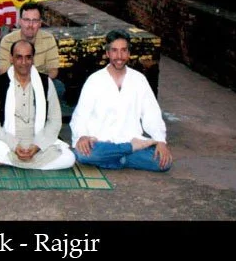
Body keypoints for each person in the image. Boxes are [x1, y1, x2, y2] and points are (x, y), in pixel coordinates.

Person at [70, 30, 173, 172]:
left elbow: (152, 113)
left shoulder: (139, 80)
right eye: (114, 51)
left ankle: (116, 158)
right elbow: (80, 115)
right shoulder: (95, 80)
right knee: (83, 155)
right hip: (101, 142)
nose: (119, 56)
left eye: (123, 51)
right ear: (107, 53)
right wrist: (82, 136)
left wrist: (160, 140)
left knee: (164, 163)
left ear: (129, 53)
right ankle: (127, 152)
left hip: (128, 139)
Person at [0, 39, 75, 170]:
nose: (24, 62)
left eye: (28, 57)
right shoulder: (0, 83)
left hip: (38, 142)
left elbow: (54, 120)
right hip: (8, 142)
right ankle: (24, 162)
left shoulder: (45, 83)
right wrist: (14, 145)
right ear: (11, 58)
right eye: (19, 57)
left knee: (69, 158)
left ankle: (8, 161)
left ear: (33, 59)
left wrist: (37, 146)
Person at [0, 1, 65, 101]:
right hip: (15, 82)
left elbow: (53, 70)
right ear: (20, 21)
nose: (30, 25)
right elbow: (3, 71)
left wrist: (36, 83)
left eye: (35, 21)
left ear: (40, 23)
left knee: (58, 87)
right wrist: (23, 84)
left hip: (40, 81)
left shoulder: (49, 39)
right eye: (26, 20)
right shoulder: (7, 41)